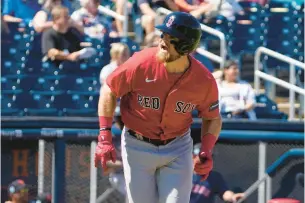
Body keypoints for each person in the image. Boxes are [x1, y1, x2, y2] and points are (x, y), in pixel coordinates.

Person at [94, 12, 222, 203]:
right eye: (163, 35)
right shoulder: (141, 62)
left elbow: (212, 117)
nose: (162, 41)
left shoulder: (203, 80)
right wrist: (104, 134)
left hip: (177, 147)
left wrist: (206, 149)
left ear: (186, 45)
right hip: (137, 145)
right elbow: (109, 90)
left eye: (171, 38)